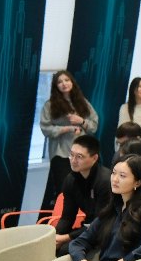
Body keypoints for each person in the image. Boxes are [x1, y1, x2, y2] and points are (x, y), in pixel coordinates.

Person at [39, 71, 99, 212]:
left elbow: (94, 126)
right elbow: (45, 129)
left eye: (67, 80)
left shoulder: (83, 102)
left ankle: (82, 220)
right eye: (60, 82)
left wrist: (81, 121)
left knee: (84, 188)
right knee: (64, 191)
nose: (64, 84)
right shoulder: (50, 105)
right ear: (56, 86)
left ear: (72, 82)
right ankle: (65, 219)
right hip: (60, 153)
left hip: (82, 153)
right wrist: (66, 129)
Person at [54, 135, 111, 255]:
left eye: (79, 157)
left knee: (65, 250)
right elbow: (67, 218)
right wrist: (56, 237)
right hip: (87, 227)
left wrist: (66, 237)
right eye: (71, 155)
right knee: (51, 247)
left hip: (106, 231)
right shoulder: (70, 180)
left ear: (94, 158)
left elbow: (100, 222)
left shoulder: (105, 181)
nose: (73, 160)